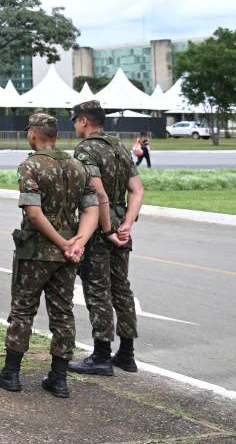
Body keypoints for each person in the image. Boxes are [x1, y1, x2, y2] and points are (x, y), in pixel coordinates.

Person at [0, 113, 98, 398]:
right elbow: (90, 209)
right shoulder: (78, 166)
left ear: (33, 134)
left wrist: (62, 241)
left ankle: (11, 373)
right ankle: (59, 378)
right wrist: (77, 242)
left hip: (36, 252)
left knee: (23, 310)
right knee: (63, 313)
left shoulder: (30, 166)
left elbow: (34, 214)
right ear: (56, 135)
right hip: (68, 256)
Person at [68, 99, 145, 377]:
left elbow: (98, 194)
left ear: (84, 121)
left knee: (98, 289)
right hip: (121, 228)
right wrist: (126, 225)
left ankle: (101, 354)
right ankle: (126, 353)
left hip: (100, 231)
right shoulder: (120, 148)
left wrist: (109, 230)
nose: (75, 125)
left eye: (75, 120)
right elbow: (137, 190)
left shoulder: (86, 150)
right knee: (121, 288)